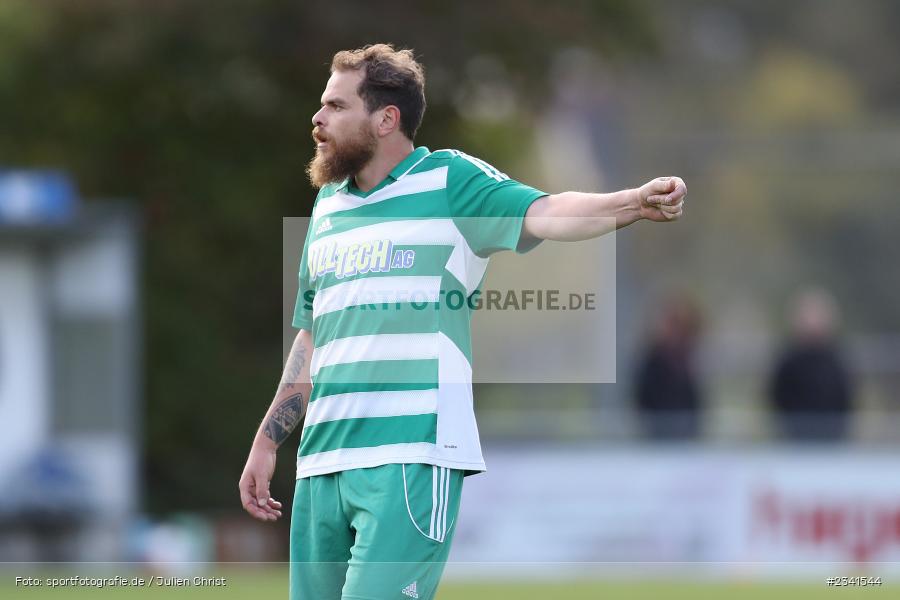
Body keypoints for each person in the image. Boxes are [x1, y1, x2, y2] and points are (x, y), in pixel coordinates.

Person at [239, 43, 686, 600]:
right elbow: (311, 336)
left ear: (385, 119)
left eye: (335, 105)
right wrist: (267, 443)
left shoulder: (450, 180)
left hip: (409, 458)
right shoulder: (328, 207)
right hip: (321, 464)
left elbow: (544, 212)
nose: (317, 117)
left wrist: (631, 203)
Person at [769, 288, 853, 441]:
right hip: (796, 438)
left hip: (831, 437)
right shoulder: (788, 359)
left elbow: (845, 396)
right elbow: (778, 395)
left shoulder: (836, 359)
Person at [634, 295, 704, 440]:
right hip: (657, 437)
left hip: (686, 437)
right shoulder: (651, 361)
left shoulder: (688, 359)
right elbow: (643, 399)